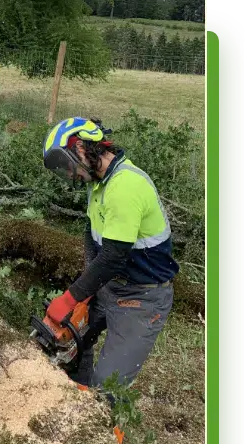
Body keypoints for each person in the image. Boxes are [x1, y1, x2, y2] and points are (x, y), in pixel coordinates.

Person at [41, 117, 179, 398]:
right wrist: (87, 290)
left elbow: (115, 256)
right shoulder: (99, 185)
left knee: (107, 387)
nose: (70, 174)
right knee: (67, 342)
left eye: (67, 165)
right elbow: (92, 235)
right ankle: (73, 395)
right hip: (110, 286)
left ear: (81, 148)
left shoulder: (125, 185)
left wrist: (70, 297)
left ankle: (102, 425)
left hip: (142, 297)